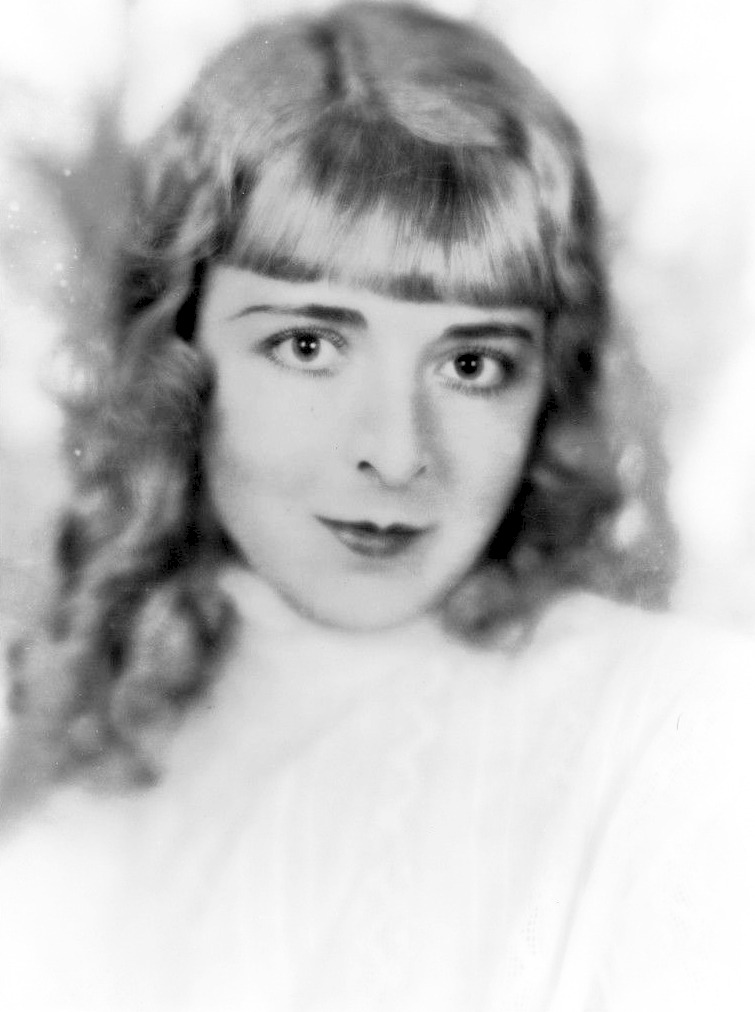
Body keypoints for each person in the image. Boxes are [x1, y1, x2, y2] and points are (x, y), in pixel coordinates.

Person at [0, 2, 753, 1009]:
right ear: (180, 356)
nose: (396, 453)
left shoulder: (686, 736)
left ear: (547, 387)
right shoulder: (72, 767)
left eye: (472, 363)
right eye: (308, 344)